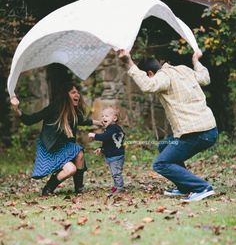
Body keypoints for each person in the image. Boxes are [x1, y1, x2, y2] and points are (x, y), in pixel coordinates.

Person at [118, 49, 218, 202]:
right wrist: (196, 61)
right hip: (209, 130)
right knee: (164, 146)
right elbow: (205, 78)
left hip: (195, 133)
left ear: (150, 73)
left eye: (148, 75)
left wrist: (128, 62)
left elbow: (147, 86)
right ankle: (185, 187)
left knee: (161, 164)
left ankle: (201, 187)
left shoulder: (163, 77)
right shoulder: (183, 69)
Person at [10, 83, 100, 196]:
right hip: (50, 148)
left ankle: (78, 189)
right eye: (73, 92)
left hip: (64, 147)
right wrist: (16, 109)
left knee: (74, 164)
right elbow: (30, 120)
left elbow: (83, 121)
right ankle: (48, 188)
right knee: (76, 157)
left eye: (77, 92)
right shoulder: (54, 108)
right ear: (65, 96)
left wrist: (100, 122)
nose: (77, 94)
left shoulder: (74, 112)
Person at [88, 107, 125, 194]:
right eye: (102, 116)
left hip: (116, 156)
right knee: (114, 172)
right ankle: (116, 186)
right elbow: (109, 142)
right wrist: (101, 149)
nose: (104, 118)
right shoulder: (110, 129)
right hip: (112, 155)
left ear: (114, 118)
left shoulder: (114, 128)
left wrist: (94, 135)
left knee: (116, 173)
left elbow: (104, 137)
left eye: (106, 116)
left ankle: (119, 187)